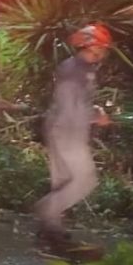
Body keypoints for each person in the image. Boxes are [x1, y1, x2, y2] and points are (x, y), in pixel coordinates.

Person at [34, 23, 113, 247]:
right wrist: (95, 117)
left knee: (62, 182)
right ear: (91, 45)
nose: (104, 52)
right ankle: (46, 210)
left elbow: (79, 103)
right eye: (102, 47)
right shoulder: (73, 70)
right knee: (85, 180)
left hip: (66, 129)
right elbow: (70, 106)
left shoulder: (84, 69)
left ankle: (51, 229)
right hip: (67, 132)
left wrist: (95, 111)